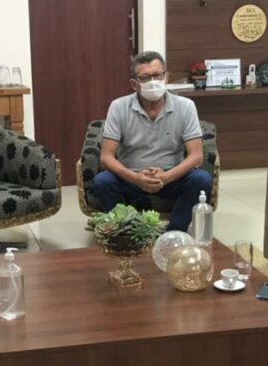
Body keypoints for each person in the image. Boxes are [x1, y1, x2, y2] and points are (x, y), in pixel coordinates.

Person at [91, 50, 212, 232]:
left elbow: (196, 156)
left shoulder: (185, 106)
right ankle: (129, 233)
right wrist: (135, 178)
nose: (153, 81)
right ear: (134, 84)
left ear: (166, 77)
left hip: (172, 177)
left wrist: (166, 177)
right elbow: (106, 157)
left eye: (158, 75)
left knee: (201, 179)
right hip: (131, 178)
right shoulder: (118, 107)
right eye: (145, 78)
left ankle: (173, 234)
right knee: (102, 182)